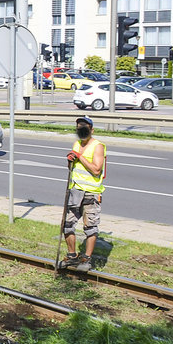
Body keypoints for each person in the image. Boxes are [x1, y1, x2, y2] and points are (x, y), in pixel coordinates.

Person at [60, 115, 107, 272]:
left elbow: (96, 169)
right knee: (67, 224)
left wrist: (79, 156)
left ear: (91, 130)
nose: (81, 130)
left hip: (91, 192)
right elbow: (73, 168)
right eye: (79, 128)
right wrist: (70, 159)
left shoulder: (98, 146)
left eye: (85, 128)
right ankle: (72, 256)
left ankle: (86, 259)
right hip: (75, 191)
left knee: (90, 227)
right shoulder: (76, 144)